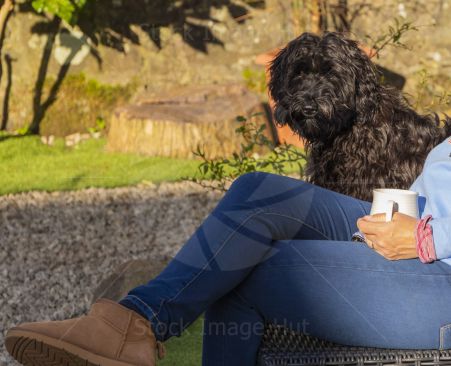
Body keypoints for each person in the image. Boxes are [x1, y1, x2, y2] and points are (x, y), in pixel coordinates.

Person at [6, 136, 451, 366]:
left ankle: (129, 332)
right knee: (259, 193)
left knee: (242, 268)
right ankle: (133, 320)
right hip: (419, 227)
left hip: (440, 277)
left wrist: (426, 240)